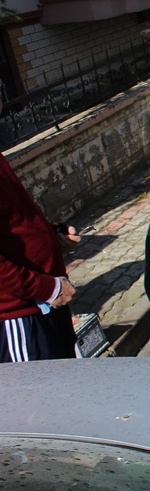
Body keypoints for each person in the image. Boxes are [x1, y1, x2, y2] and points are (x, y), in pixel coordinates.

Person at [1, 97, 80, 362]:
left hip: (45, 304)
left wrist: (51, 234)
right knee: (38, 399)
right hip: (22, 315)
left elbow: (14, 221)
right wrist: (47, 289)